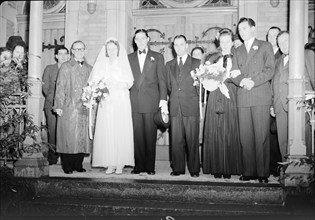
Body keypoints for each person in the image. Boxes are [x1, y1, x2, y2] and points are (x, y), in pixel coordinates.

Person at [230, 17, 275, 183]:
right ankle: (248, 171)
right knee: (245, 137)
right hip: (243, 97)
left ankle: (263, 173)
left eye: (244, 28)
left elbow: (270, 70)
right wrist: (242, 81)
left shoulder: (265, 46)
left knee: (261, 136)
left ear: (253, 29)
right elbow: (233, 73)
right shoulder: (237, 50)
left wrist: (252, 81)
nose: (241, 32)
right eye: (239, 30)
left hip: (260, 96)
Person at [202, 29, 242, 179]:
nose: (225, 44)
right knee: (215, 130)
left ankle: (229, 167)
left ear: (232, 42)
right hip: (214, 94)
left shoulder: (238, 57)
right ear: (219, 42)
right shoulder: (212, 58)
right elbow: (205, 77)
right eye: (222, 41)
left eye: (227, 41)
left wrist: (229, 79)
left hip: (231, 94)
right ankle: (216, 167)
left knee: (229, 130)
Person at [90, 38, 134, 175]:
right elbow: (94, 81)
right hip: (107, 101)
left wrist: (117, 85)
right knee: (108, 130)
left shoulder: (123, 63)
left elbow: (130, 82)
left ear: (118, 50)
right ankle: (110, 163)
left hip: (120, 99)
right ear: (106, 51)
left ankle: (120, 162)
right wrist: (99, 87)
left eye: (114, 49)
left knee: (119, 129)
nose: (111, 51)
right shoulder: (103, 64)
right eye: (109, 49)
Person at [128, 29, 168, 175]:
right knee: (137, 135)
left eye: (142, 38)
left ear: (148, 39)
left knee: (150, 135)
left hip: (151, 100)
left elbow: (162, 80)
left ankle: (150, 167)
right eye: (137, 39)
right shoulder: (129, 58)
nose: (140, 41)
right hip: (135, 101)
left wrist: (163, 100)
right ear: (134, 41)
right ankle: (139, 166)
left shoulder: (157, 57)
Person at [53, 40, 92, 174]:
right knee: (68, 137)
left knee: (82, 137)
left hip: (84, 107)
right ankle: (67, 165)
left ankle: (78, 164)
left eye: (81, 49)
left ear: (85, 50)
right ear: (72, 51)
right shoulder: (66, 66)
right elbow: (60, 86)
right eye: (76, 49)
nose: (79, 51)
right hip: (69, 106)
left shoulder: (90, 68)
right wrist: (58, 105)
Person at [164, 35, 200, 177]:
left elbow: (201, 86)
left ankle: (194, 169)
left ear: (186, 46)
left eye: (181, 44)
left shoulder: (197, 63)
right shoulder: (169, 65)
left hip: (190, 106)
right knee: (176, 140)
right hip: (175, 107)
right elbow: (168, 86)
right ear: (173, 47)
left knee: (192, 139)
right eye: (176, 45)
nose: (178, 47)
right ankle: (178, 168)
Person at [42, 45, 69, 165]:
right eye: (60, 54)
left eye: (65, 54)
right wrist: (53, 99)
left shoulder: (70, 68)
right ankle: (52, 158)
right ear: (56, 56)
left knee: (65, 132)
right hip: (51, 104)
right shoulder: (49, 68)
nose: (63, 56)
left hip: (67, 106)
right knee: (52, 132)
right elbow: (45, 87)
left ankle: (65, 159)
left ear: (68, 56)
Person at [266, 26, 282, 177]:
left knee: (276, 135)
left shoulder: (281, 55)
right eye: (270, 35)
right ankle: (269, 166)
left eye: (275, 35)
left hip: (275, 100)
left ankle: (277, 167)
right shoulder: (266, 52)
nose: (272, 38)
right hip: (265, 99)